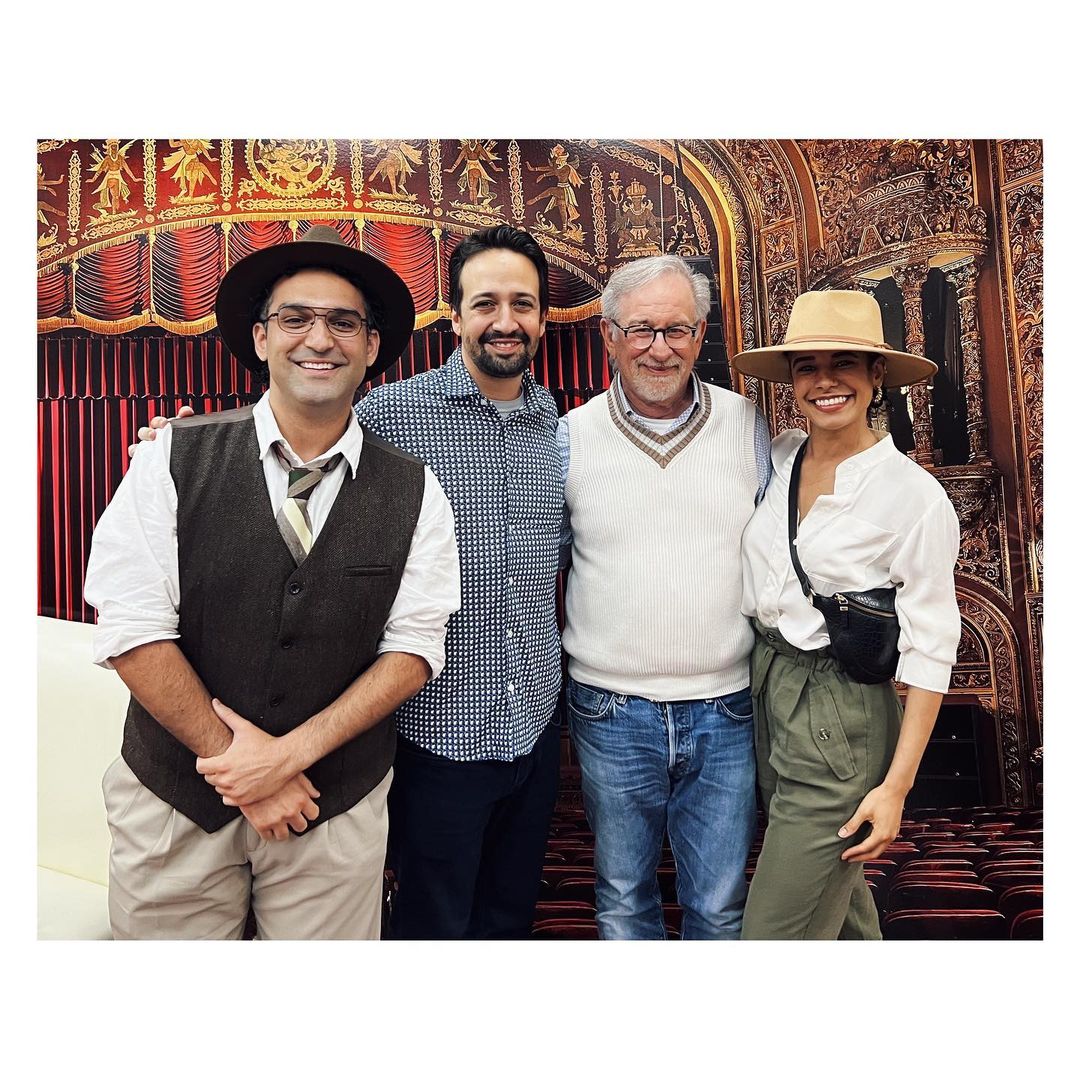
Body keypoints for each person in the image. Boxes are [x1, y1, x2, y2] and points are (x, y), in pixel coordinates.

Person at [135, 224, 563, 940]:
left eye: (523, 304)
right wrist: (174, 449)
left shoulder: (553, 423)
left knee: (506, 920)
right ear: (456, 317)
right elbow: (288, 442)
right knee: (430, 925)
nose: (505, 320)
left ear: (543, 319)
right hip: (438, 732)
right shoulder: (388, 413)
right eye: (485, 303)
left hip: (535, 725)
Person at [84, 226, 461, 939]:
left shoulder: (418, 491)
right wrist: (240, 765)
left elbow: (414, 650)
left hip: (330, 803)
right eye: (295, 318)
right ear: (261, 338)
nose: (319, 339)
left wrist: (285, 760)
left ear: (371, 347)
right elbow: (132, 629)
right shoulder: (169, 458)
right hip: (174, 801)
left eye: (343, 322)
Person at [730, 289, 961, 939]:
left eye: (845, 364)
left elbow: (931, 651)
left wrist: (896, 789)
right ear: (791, 380)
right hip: (766, 690)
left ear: (876, 374)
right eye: (807, 366)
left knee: (773, 935)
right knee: (841, 912)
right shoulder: (778, 455)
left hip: (841, 711)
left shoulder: (912, 496)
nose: (825, 381)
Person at [559, 254, 772, 939]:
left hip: (727, 705)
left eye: (677, 330)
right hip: (609, 708)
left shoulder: (749, 426)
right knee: (623, 899)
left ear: (701, 333)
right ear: (609, 335)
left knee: (720, 906)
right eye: (642, 330)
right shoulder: (571, 437)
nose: (660, 348)